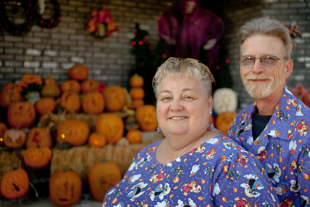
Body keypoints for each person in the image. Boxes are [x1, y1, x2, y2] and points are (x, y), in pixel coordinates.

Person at [102, 57, 279, 206]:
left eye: (188, 97)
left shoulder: (231, 165)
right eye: (166, 97)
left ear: (209, 104)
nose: (175, 106)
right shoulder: (144, 157)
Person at [227, 17, 310, 206]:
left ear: (287, 68)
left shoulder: (306, 132)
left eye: (269, 59)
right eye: (248, 59)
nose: (256, 68)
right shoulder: (239, 123)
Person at [157, 0, 224, 70]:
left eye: (193, 6)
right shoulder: (174, 13)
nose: (190, 7)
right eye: (188, 5)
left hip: (198, 53)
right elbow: (163, 22)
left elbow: (217, 24)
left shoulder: (205, 15)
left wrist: (213, 39)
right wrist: (166, 36)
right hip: (178, 53)